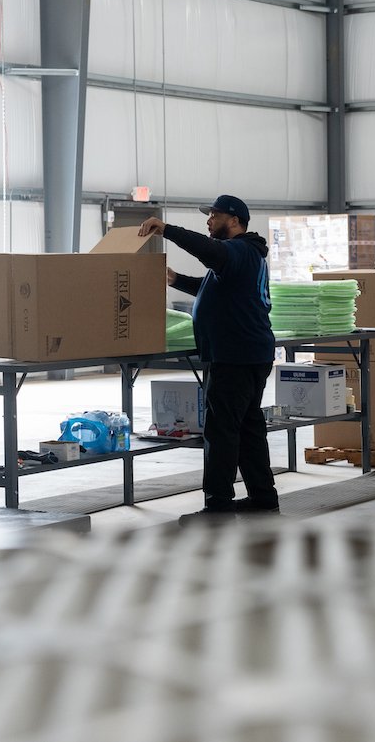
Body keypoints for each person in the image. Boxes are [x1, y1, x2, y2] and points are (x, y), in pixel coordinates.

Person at [138, 195, 280, 523]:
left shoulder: (239, 251)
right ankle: (263, 498)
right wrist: (175, 280)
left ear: (234, 220)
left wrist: (167, 229)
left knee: (222, 431)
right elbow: (211, 286)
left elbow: (209, 250)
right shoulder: (246, 256)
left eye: (213, 215)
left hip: (235, 357)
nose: (208, 221)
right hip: (248, 354)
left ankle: (218, 507)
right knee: (247, 428)